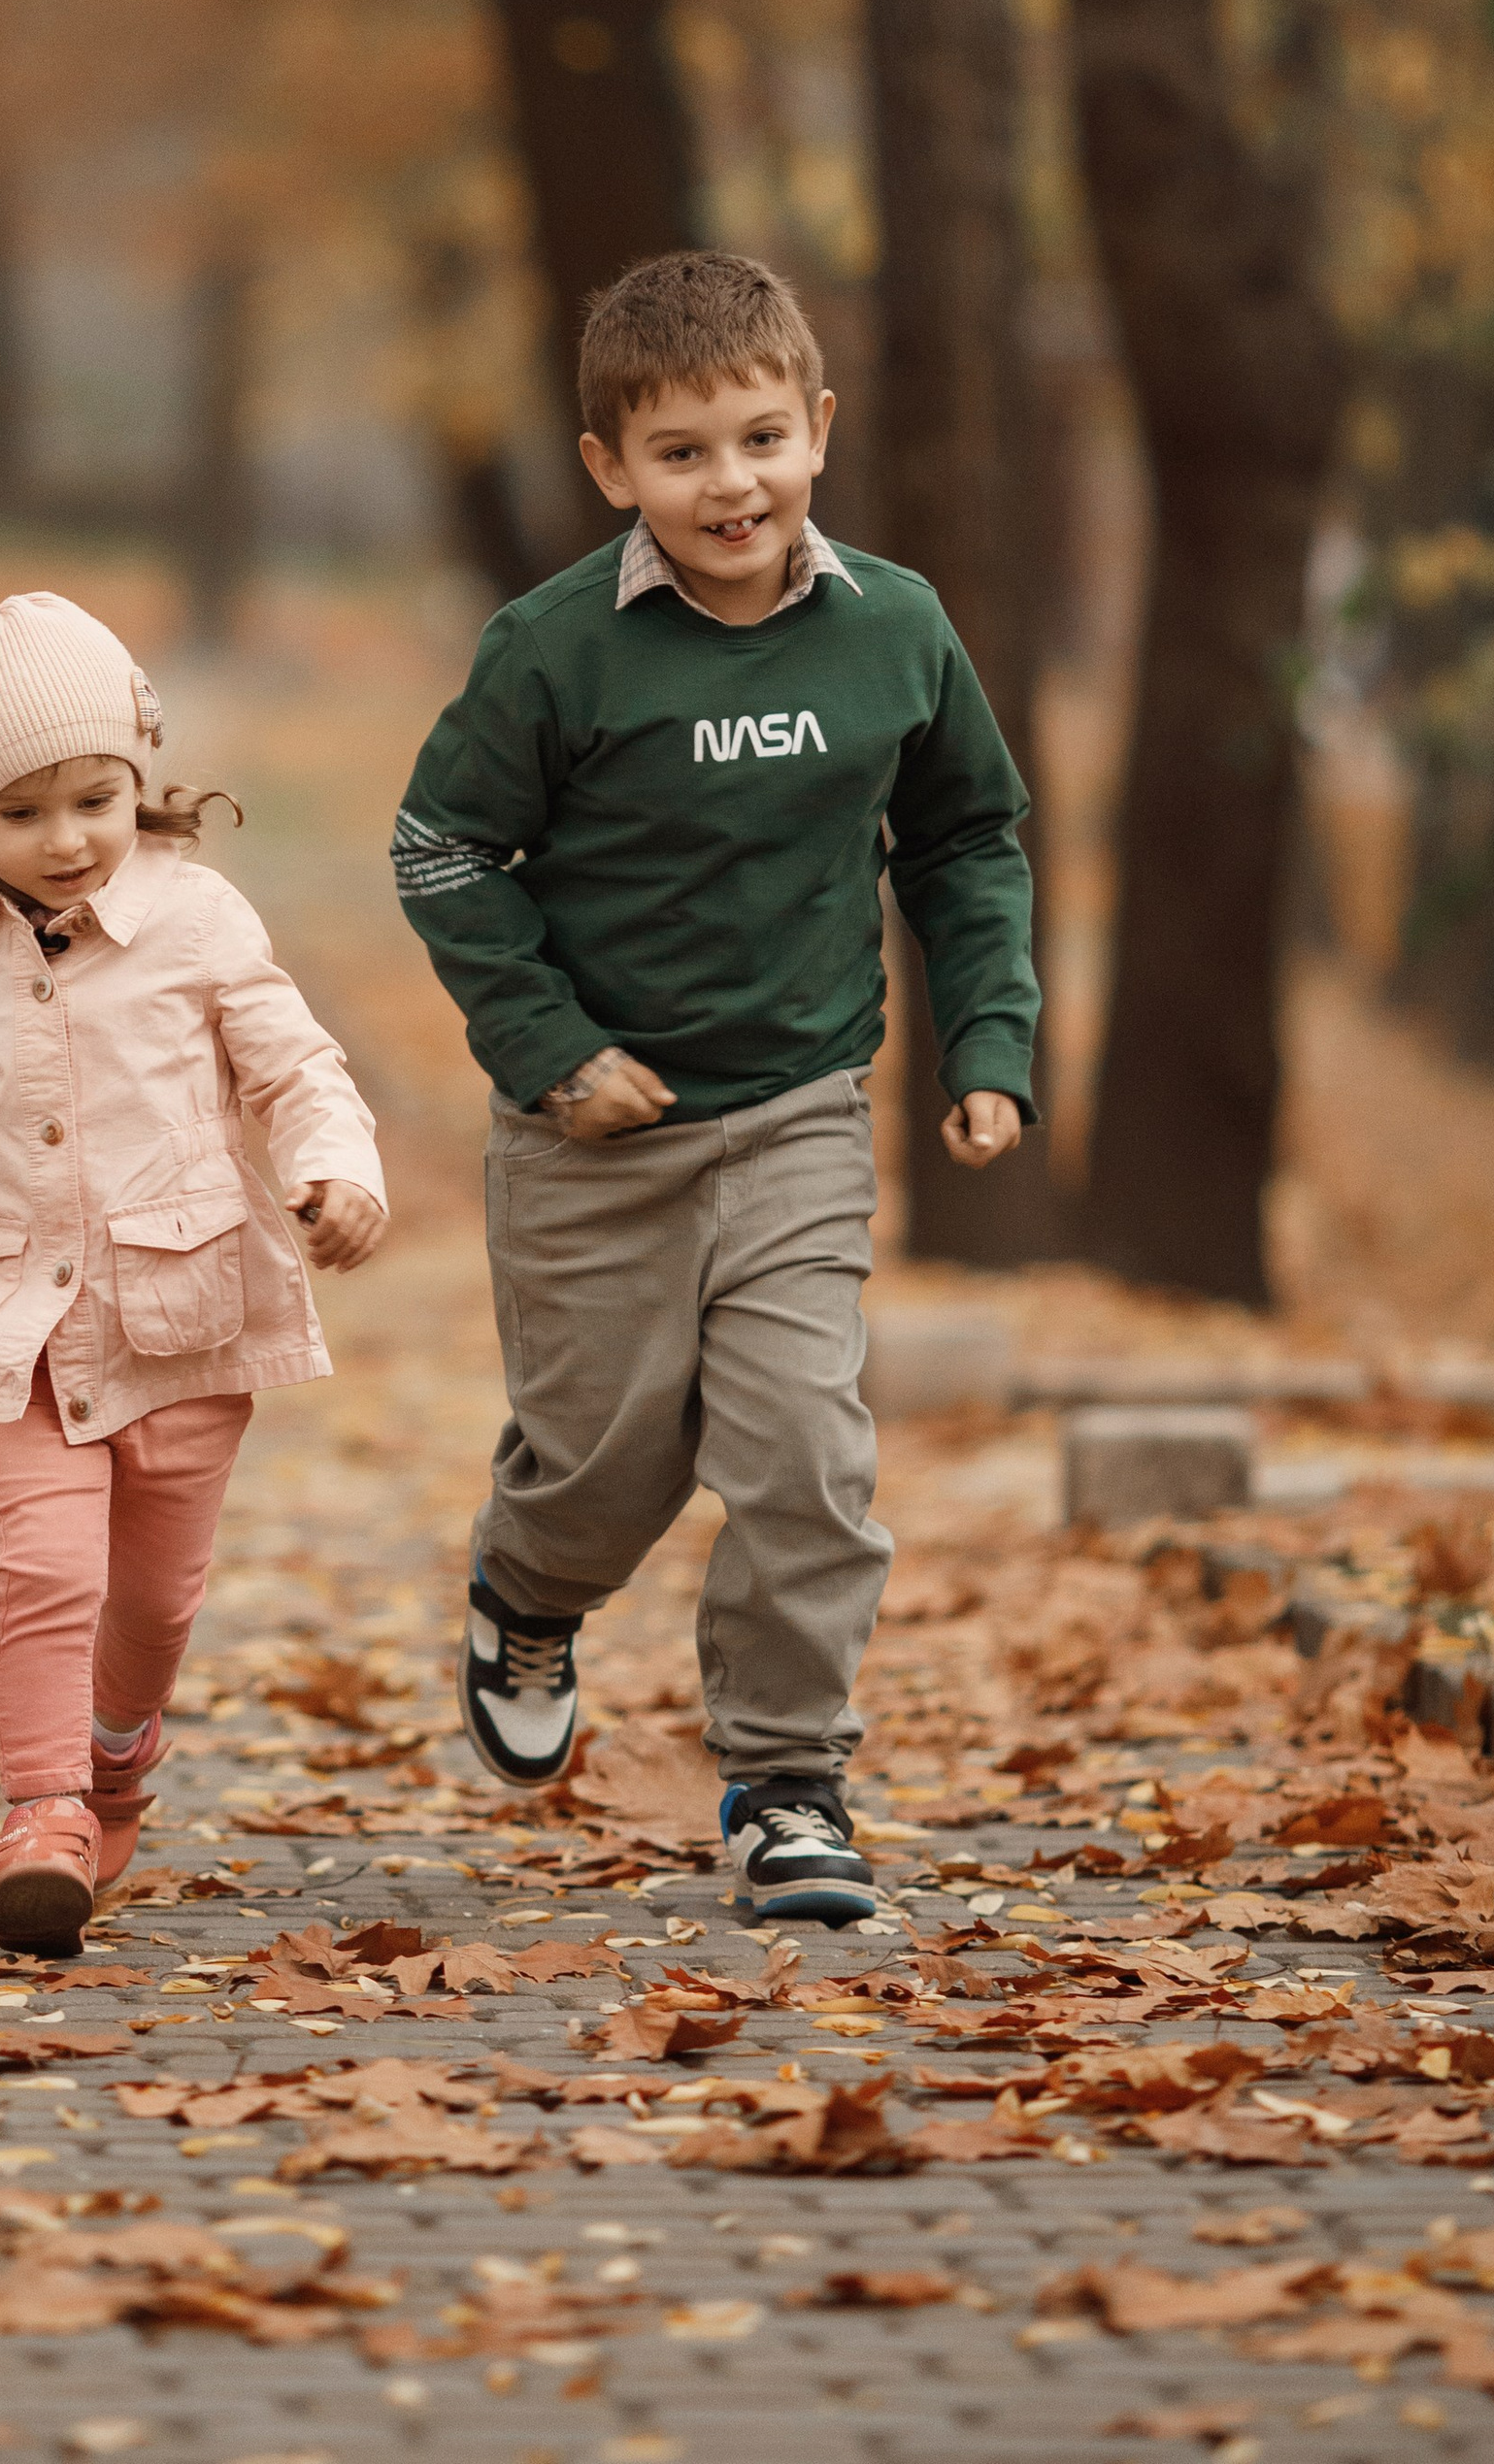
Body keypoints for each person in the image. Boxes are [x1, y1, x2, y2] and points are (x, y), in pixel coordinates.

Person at [393, 249, 1036, 1924]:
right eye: (682, 453)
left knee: (807, 1452)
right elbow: (443, 849)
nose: (729, 482)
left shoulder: (895, 627)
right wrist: (546, 1048)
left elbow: (966, 837)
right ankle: (527, 1593)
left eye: (761, 439)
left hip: (798, 1116)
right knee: (606, 1465)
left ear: (817, 430)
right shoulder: (553, 655)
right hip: (593, 1140)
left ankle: (788, 1783)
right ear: (612, 469)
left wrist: (987, 1041)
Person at [0, 592, 387, 1953]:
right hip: (16, 1311)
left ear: (143, 777)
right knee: (49, 1567)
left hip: (185, 1314)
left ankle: (121, 1752)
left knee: (152, 1599)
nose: (67, 840)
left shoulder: (200, 922)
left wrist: (338, 1170)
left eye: (95, 799)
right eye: (22, 815)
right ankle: (42, 1814)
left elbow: (293, 1066)